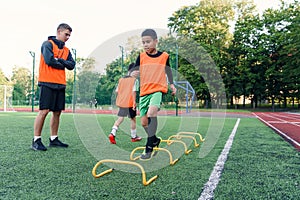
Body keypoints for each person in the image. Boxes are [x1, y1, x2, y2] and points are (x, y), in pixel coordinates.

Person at [31, 23, 75, 151]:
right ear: (58, 32)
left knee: (57, 113)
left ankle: (54, 139)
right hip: (47, 82)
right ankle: (36, 140)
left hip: (60, 84)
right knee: (44, 111)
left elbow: (71, 65)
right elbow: (49, 60)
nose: (68, 37)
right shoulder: (47, 44)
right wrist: (63, 63)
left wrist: (60, 61)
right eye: (66, 34)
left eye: (69, 35)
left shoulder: (67, 50)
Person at [134, 29, 176, 160]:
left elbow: (168, 71)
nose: (145, 45)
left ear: (156, 41)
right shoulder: (141, 57)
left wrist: (172, 85)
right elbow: (134, 70)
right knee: (144, 123)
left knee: (152, 113)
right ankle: (155, 140)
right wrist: (133, 73)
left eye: (148, 42)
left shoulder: (164, 56)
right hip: (144, 92)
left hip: (158, 89)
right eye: (143, 42)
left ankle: (149, 148)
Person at [108, 63, 142, 144]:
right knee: (133, 119)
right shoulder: (134, 80)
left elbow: (117, 91)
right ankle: (134, 137)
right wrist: (134, 102)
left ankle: (113, 132)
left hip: (122, 103)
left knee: (120, 118)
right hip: (130, 103)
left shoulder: (121, 79)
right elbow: (134, 92)